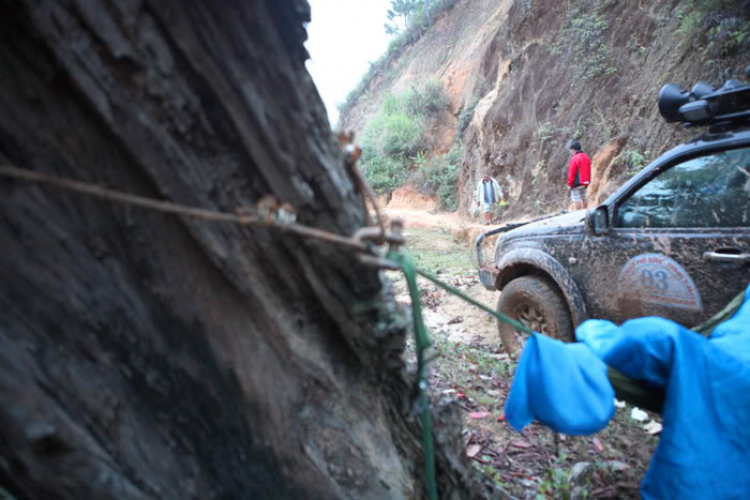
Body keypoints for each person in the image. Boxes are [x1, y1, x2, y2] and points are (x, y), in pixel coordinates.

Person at [567, 140, 591, 210]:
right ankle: (585, 211)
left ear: (574, 149)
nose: (571, 151)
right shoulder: (586, 157)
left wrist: (570, 184)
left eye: (571, 150)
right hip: (585, 181)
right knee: (584, 196)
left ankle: (578, 213)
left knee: (576, 198)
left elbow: (572, 172)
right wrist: (587, 181)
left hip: (577, 182)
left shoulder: (574, 158)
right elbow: (588, 170)